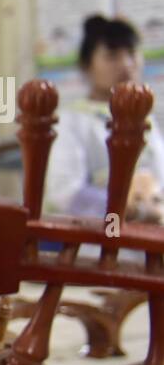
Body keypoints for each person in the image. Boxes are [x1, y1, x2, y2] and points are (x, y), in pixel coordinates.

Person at [46, 15, 161, 222]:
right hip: (98, 240)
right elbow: (66, 192)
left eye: (132, 53)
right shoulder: (71, 120)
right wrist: (129, 209)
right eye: (112, 56)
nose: (126, 64)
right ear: (86, 65)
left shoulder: (145, 117)